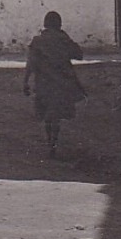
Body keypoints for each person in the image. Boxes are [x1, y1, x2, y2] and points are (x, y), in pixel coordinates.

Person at [22, 10, 88, 158]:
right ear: (59, 24)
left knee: (47, 115)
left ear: (45, 24)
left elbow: (30, 64)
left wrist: (25, 82)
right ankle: (54, 142)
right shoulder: (63, 39)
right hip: (61, 83)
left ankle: (50, 142)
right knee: (56, 114)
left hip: (43, 84)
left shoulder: (37, 41)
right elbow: (79, 54)